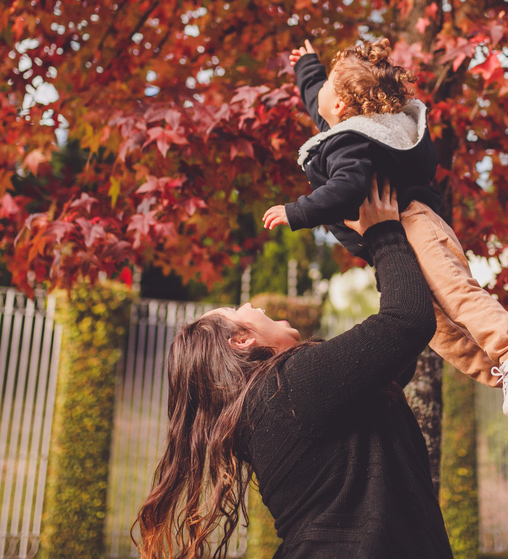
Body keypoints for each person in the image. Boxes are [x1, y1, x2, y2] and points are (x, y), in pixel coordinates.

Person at [134, 180, 453, 559]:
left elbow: (395, 354)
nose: (251, 304)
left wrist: (381, 245)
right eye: (238, 311)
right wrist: (383, 234)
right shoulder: (286, 388)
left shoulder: (271, 406)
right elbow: (406, 323)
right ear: (241, 340)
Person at [262, 38, 508, 428]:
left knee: (456, 292)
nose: (319, 92)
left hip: (415, 224)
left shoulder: (349, 143)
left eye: (327, 84)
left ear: (342, 107)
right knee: (436, 328)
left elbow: (347, 187)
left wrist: (297, 211)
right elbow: (317, 98)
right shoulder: (343, 131)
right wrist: (308, 67)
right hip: (396, 239)